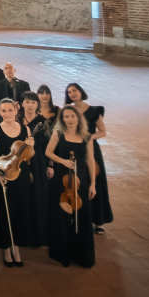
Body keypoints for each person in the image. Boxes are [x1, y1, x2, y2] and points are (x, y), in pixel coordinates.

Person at [0, 98, 38, 266]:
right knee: (4, 212)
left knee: (21, 212)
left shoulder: (26, 129)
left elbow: (30, 156)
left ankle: (17, 247)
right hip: (3, 177)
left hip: (21, 177)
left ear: (16, 110)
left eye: (10, 110)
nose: (7, 113)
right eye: (3, 111)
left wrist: (31, 146)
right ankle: (6, 249)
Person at [45, 106, 97, 268]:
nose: (69, 119)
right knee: (62, 215)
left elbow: (90, 160)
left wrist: (93, 184)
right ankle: (62, 252)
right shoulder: (58, 133)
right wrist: (62, 161)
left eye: (72, 116)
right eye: (66, 117)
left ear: (78, 117)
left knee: (82, 216)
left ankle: (81, 253)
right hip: (62, 178)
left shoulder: (87, 136)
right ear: (62, 119)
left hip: (81, 179)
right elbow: (48, 152)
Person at [65, 83, 112, 233]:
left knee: (95, 181)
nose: (72, 94)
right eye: (69, 92)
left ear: (81, 92)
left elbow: (102, 131)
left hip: (91, 149)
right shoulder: (69, 110)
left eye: (74, 90)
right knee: (77, 181)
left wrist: (89, 138)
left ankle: (99, 221)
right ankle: (77, 216)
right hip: (75, 148)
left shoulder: (94, 111)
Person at [18, 92, 50, 248]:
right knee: (23, 197)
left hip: (39, 162)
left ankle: (38, 235)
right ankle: (22, 234)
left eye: (33, 102)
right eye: (27, 102)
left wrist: (50, 165)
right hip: (20, 162)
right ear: (22, 103)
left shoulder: (44, 122)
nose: (30, 105)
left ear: (37, 104)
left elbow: (50, 144)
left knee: (38, 196)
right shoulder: (17, 119)